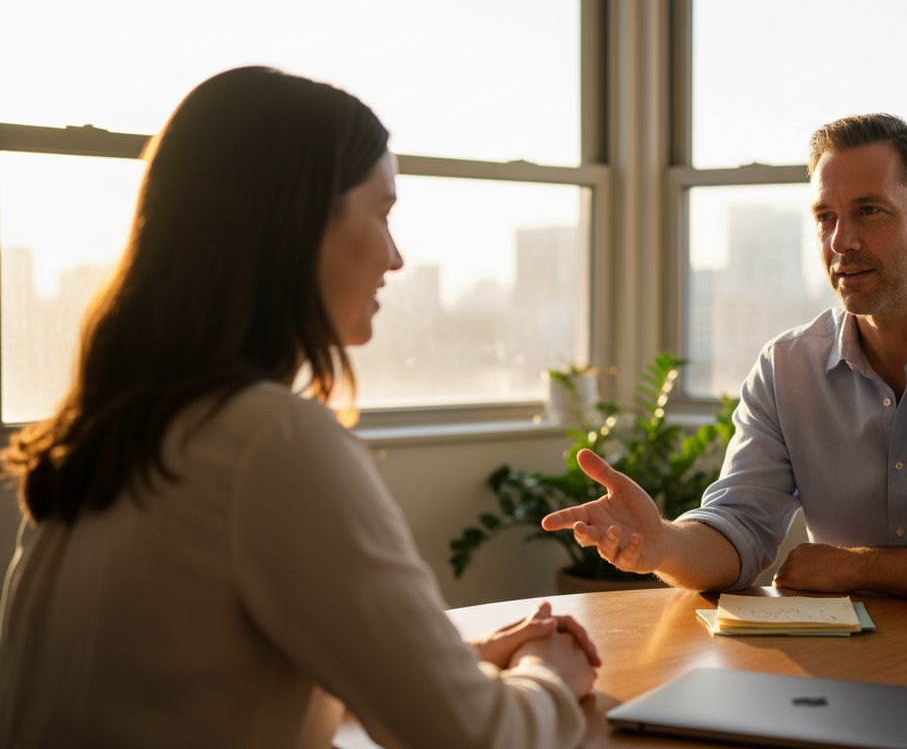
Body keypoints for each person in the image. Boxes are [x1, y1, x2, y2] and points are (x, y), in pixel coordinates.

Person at [0, 66, 598, 749]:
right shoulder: (271, 443)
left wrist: (456, 663)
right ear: (298, 221)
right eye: (381, 213)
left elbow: (216, 678)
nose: (395, 258)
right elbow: (475, 739)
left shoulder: (107, 434)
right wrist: (546, 674)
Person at [543, 113, 907, 609]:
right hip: (842, 668)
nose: (841, 242)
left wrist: (858, 566)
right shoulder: (786, 366)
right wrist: (664, 545)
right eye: (825, 217)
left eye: (869, 212)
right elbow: (739, 529)